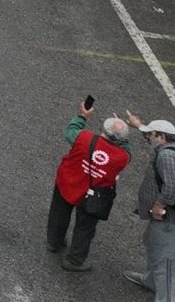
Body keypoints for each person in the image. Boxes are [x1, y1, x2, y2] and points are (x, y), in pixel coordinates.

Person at [123, 115, 175, 299]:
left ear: (161, 136)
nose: (147, 138)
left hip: (171, 222)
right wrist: (139, 126)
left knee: (166, 264)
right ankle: (150, 280)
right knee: (152, 243)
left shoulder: (167, 156)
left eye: (149, 135)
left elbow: (174, 187)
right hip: (174, 219)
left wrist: (159, 205)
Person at [47, 103, 131, 273]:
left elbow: (70, 131)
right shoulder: (122, 157)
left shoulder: (83, 138)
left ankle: (54, 242)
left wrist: (83, 116)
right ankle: (75, 259)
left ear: (103, 130)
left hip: (68, 183)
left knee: (59, 214)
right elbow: (127, 148)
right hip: (93, 196)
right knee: (85, 228)